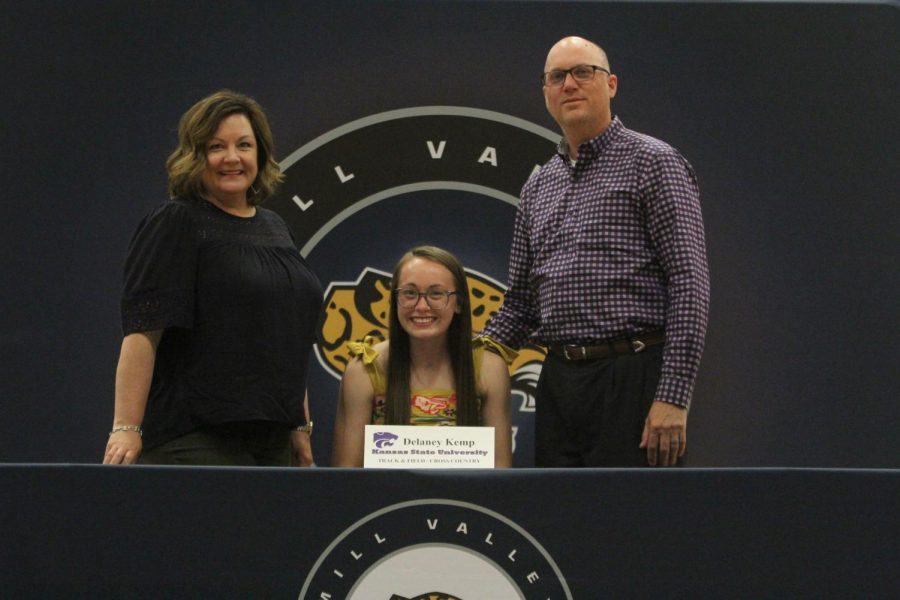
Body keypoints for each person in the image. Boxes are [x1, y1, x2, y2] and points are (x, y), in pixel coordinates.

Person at [482, 36, 709, 467]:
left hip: (634, 377)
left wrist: (673, 396)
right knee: (558, 525)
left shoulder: (654, 162)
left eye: (583, 72)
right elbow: (521, 305)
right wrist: (460, 361)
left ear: (611, 85)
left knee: (630, 524)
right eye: (556, 76)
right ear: (545, 92)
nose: (569, 84)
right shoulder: (537, 186)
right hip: (559, 385)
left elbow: (689, 282)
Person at [103, 90, 323, 466]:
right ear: (194, 155)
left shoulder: (275, 227)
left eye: (244, 145)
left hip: (273, 442)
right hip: (194, 437)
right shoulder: (177, 222)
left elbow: (287, 338)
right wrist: (126, 427)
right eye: (216, 146)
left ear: (261, 154)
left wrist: (299, 428)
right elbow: (143, 332)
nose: (232, 158)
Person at [332, 246, 514, 467]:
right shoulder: (364, 369)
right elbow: (347, 477)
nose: (421, 306)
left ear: (459, 303)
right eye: (409, 293)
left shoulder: (489, 368)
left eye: (436, 294)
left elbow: (500, 474)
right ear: (394, 300)